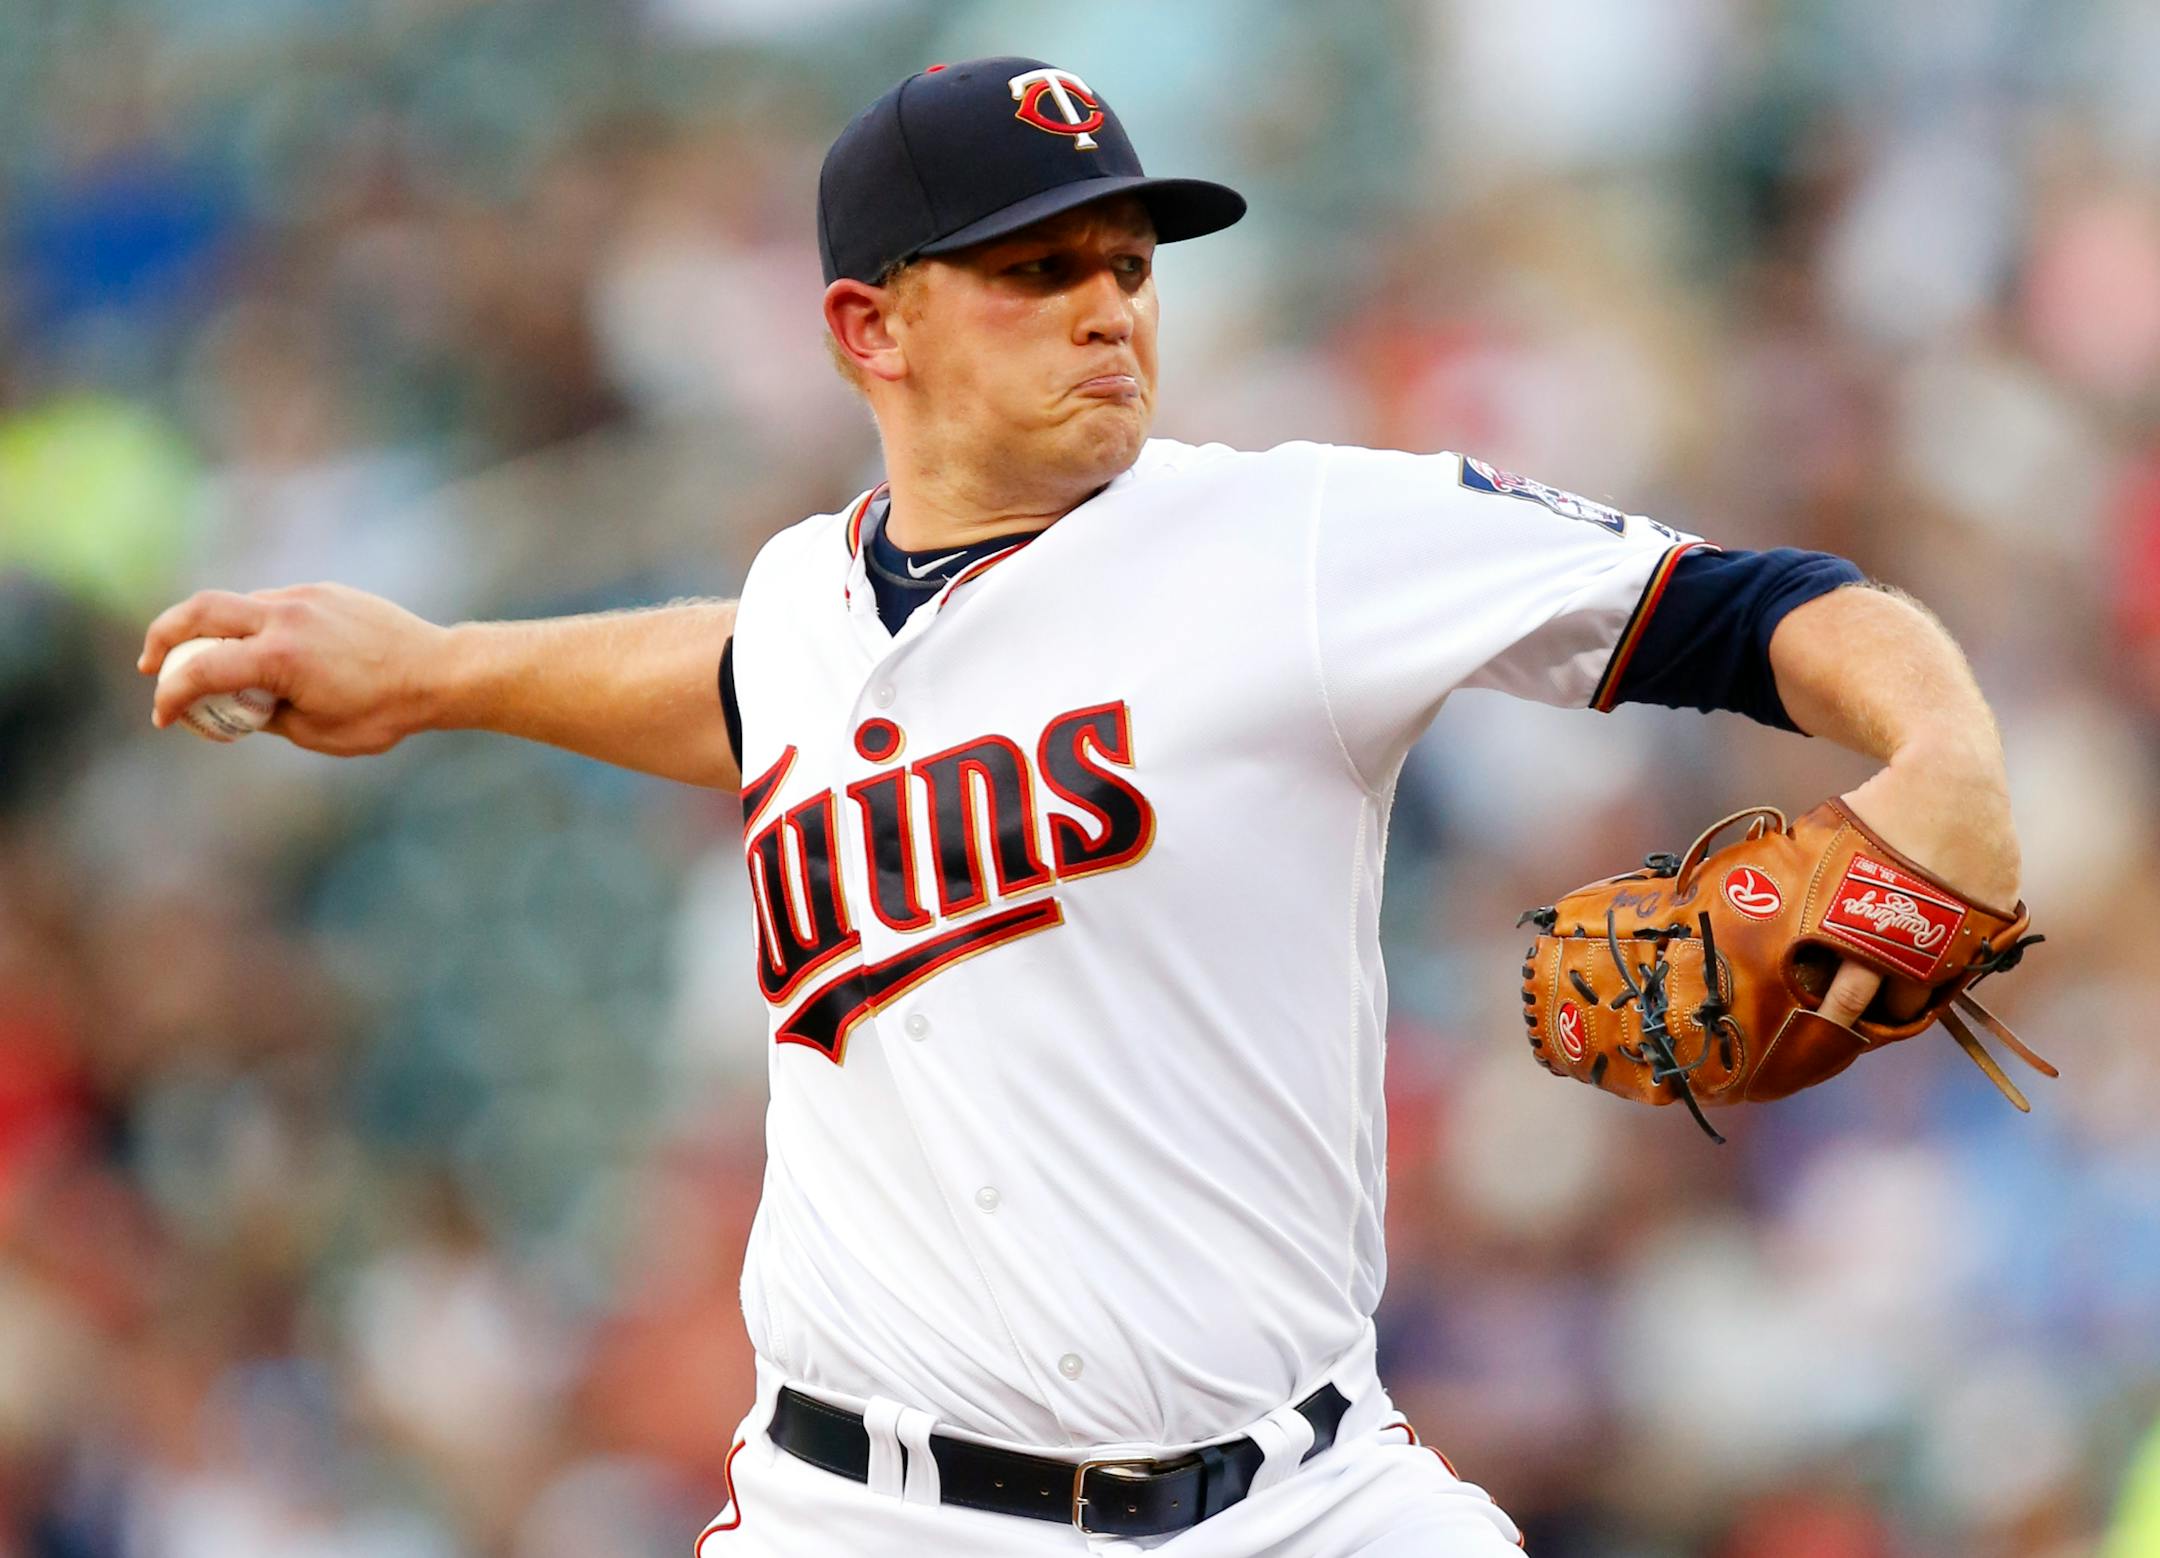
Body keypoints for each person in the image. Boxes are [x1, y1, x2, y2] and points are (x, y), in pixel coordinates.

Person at [141, 56, 2023, 1558]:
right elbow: (738, 679)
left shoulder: (1296, 538)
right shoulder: (809, 598)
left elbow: (1750, 605)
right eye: (1039, 272)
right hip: (861, 1511)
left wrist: (1941, 752)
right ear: (869, 330)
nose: (1109, 312)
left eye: (1128, 265)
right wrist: (438, 670)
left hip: (1302, 1499)